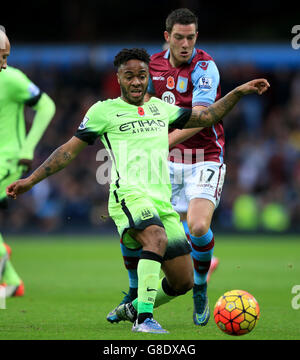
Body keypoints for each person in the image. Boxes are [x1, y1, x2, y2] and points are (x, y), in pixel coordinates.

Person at [6, 48, 269, 333]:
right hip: (127, 196)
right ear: (118, 77)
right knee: (154, 237)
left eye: (142, 76)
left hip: (161, 202)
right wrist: (31, 180)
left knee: (183, 281)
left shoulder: (160, 108)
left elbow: (206, 117)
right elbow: (67, 151)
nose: (135, 82)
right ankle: (143, 319)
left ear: (148, 78)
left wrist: (238, 92)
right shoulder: (102, 111)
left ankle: (131, 306)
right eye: (129, 76)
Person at [107, 8, 222, 326]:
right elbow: (142, 107)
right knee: (132, 213)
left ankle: (199, 284)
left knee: (197, 227)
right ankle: (134, 294)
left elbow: (200, 119)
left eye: (191, 37)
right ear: (167, 37)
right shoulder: (151, 67)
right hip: (165, 161)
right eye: (179, 37)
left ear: (196, 37)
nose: (185, 44)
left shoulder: (204, 67)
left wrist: (164, 140)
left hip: (204, 156)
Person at [0, 25, 56, 297]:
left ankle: (8, 280)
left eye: (6, 56)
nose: (4, 64)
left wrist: (28, 146)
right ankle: (9, 279)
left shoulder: (12, 79)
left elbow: (47, 105)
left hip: (7, 160)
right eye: (0, 56)